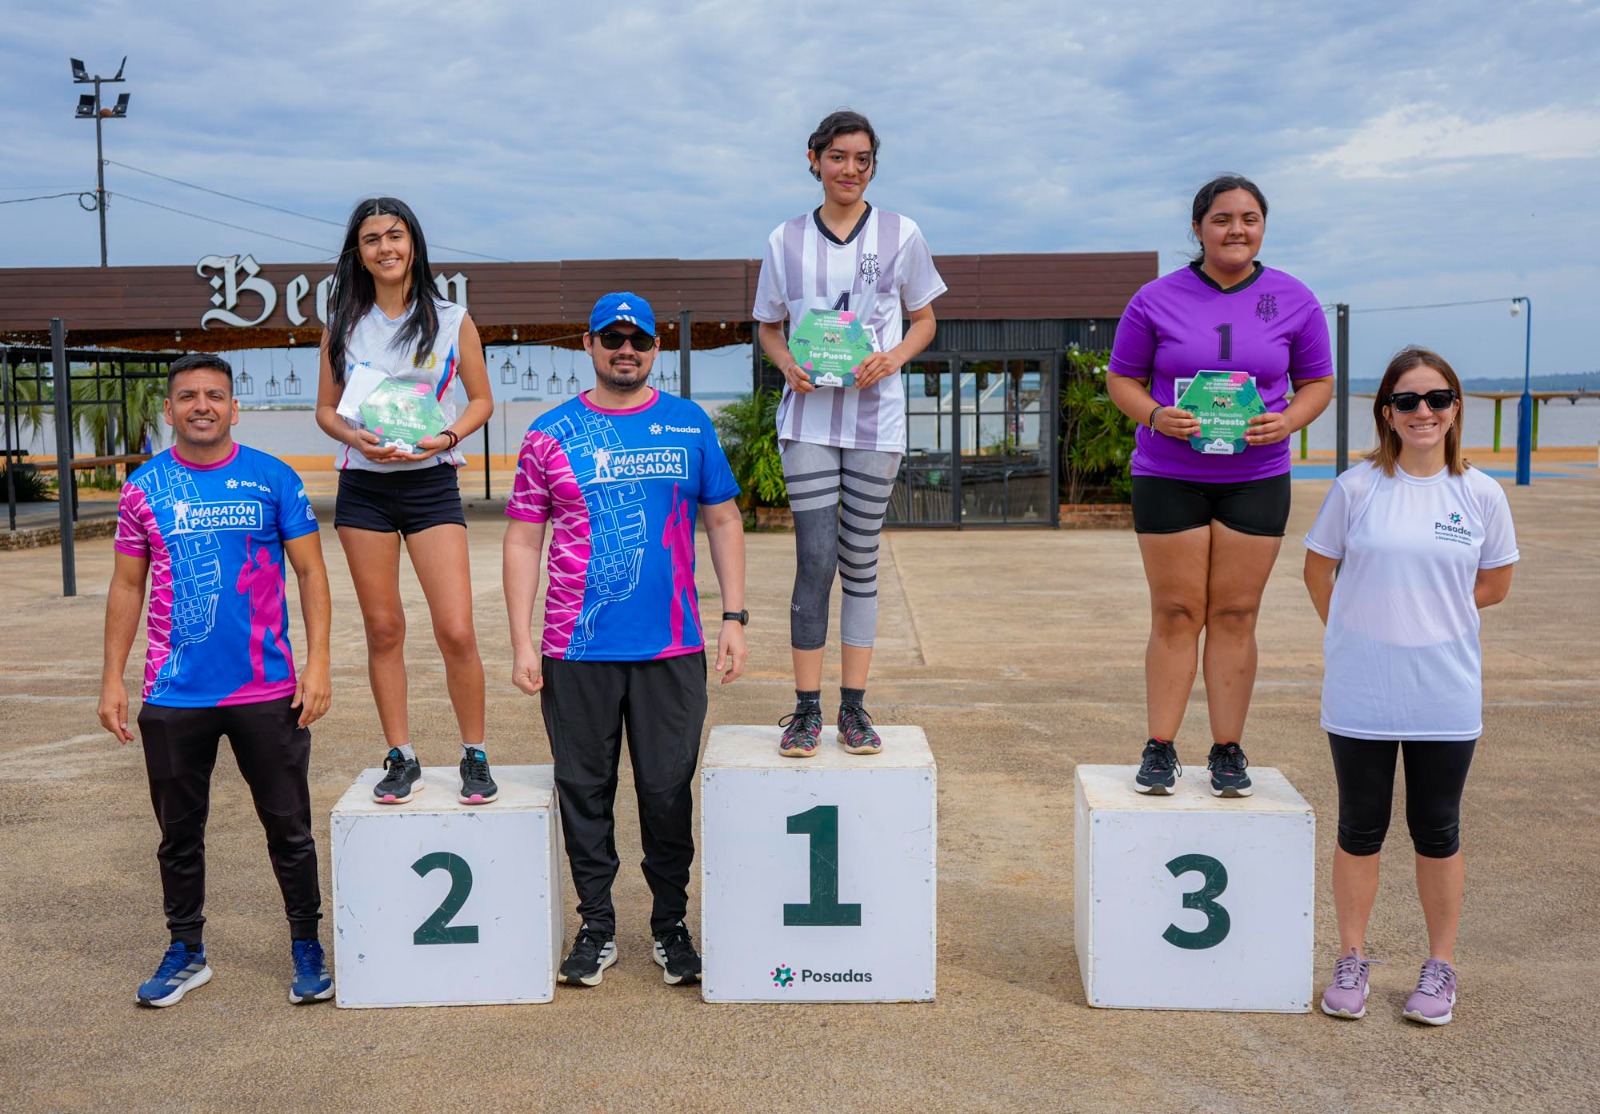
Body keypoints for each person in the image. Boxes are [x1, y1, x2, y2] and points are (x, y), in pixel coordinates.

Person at [504, 292, 747, 988]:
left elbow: (724, 521)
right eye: (612, 338)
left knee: (668, 793)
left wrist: (734, 617)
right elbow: (523, 539)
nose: (625, 350)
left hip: (672, 645)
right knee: (585, 792)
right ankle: (597, 926)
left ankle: (671, 927)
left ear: (655, 348)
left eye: (638, 339)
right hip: (575, 648)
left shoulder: (688, 423)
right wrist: (521, 640)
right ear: (589, 345)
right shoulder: (550, 433)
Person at [98, 353, 334, 1007]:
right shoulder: (144, 487)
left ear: (235, 407)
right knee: (179, 835)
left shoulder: (273, 478)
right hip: (174, 693)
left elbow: (311, 573)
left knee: (289, 831)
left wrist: (318, 663)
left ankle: (306, 947)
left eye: (214, 395)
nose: (201, 406)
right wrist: (112, 678)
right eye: (188, 396)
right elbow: (127, 586)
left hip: (267, 690)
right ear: (169, 409)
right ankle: (186, 951)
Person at [1304, 347, 1516, 1026]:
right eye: (1407, 401)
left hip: (1444, 694)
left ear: (1455, 408)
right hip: (1362, 693)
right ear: (1386, 414)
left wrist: (1428, 618)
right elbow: (1318, 572)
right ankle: (1351, 958)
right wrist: (1358, 631)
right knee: (1359, 827)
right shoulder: (1356, 488)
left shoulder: (1480, 494)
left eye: (1437, 398)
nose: (1423, 411)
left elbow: (1495, 583)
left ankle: (1440, 965)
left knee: (1438, 830)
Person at [1107, 174, 1333, 796]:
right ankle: (1160, 746)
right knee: (1176, 611)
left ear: (1263, 227)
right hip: (1169, 474)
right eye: (1223, 219)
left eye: (1249, 219)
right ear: (1198, 227)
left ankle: (1228, 749)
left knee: (1236, 613)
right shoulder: (1154, 298)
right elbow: (1122, 379)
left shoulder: (1294, 298)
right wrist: (1155, 415)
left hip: (1256, 477)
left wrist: (1288, 421)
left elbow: (1318, 383)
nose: (1237, 230)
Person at [752, 108, 945, 758]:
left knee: (860, 560)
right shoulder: (784, 240)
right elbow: (768, 327)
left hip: (875, 423)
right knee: (815, 559)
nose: (850, 169)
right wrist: (786, 364)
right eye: (838, 156)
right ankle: (806, 709)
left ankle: (853, 708)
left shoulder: (901, 233)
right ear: (814, 160)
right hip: (807, 419)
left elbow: (924, 319)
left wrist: (893, 358)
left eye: (863, 159)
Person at [314, 197, 497, 806]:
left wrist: (447, 438)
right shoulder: (342, 324)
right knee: (384, 628)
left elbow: (480, 400)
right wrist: (353, 437)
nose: (384, 248)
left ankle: (474, 753)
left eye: (394, 235)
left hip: (430, 483)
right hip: (364, 490)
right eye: (371, 239)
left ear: (413, 243)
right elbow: (326, 409)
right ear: (358, 253)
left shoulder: (451, 319)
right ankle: (401, 755)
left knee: (456, 629)